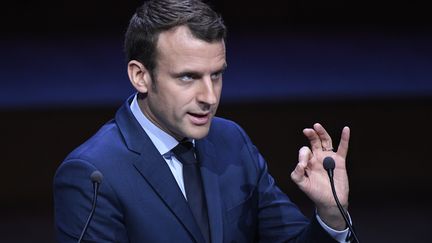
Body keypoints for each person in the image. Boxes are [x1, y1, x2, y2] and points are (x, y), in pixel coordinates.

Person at [53, 0, 354, 242]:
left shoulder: (232, 141)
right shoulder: (92, 175)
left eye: (217, 75)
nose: (209, 96)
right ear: (140, 76)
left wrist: (331, 215)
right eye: (188, 77)